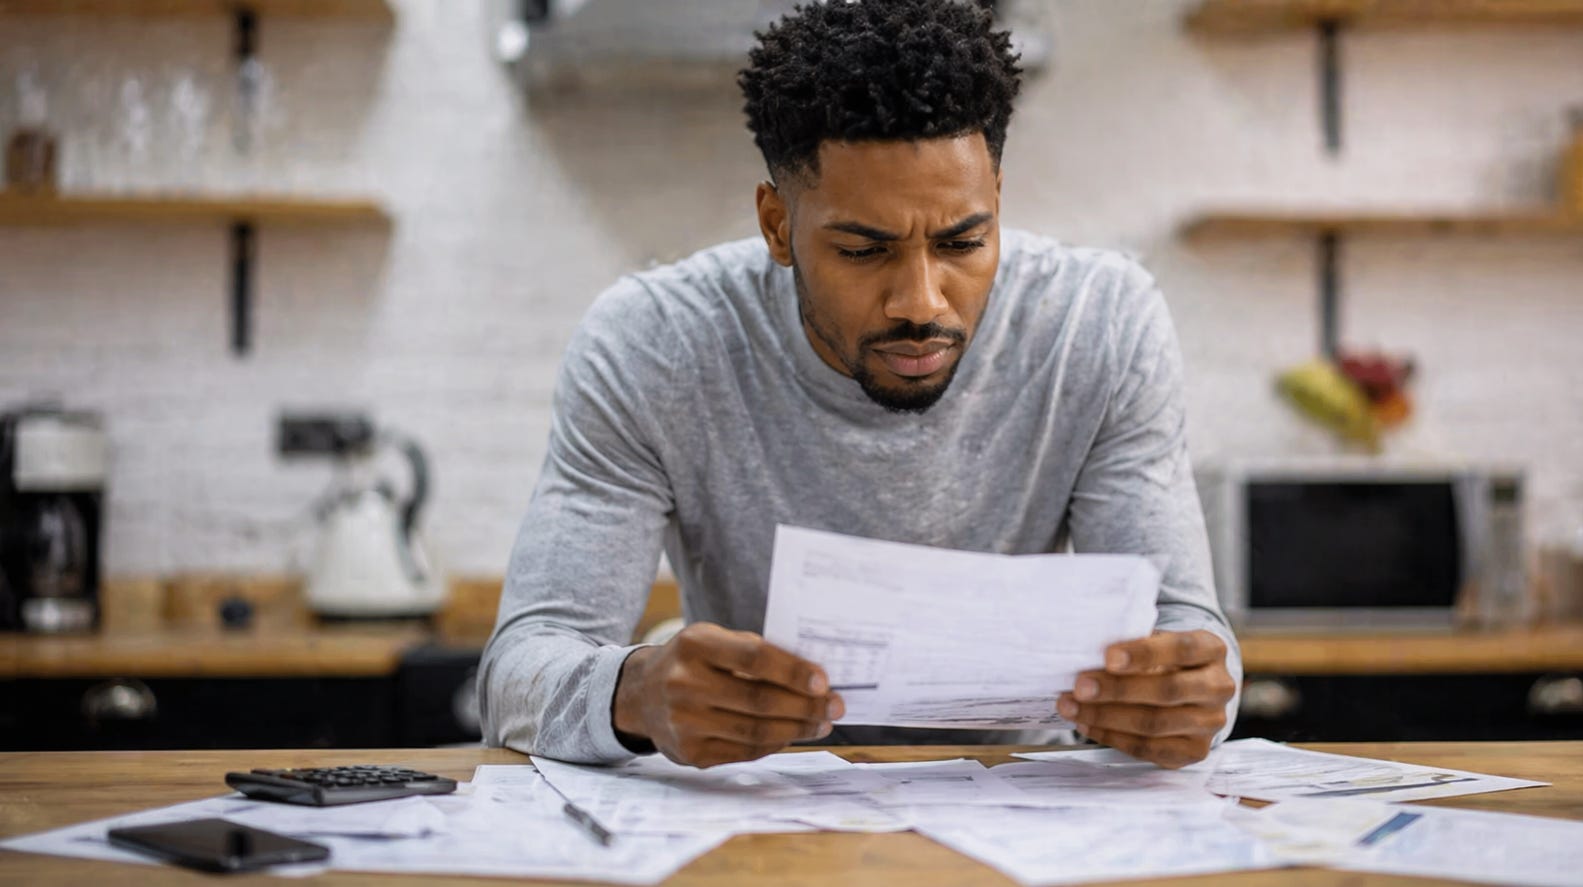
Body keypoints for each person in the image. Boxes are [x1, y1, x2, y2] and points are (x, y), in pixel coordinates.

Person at [478, 0, 1241, 770]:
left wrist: (1189, 693)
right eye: (863, 249)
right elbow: (517, 671)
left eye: (963, 242)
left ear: (999, 201)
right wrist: (634, 691)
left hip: (1019, 807)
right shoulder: (654, 344)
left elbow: (1194, 640)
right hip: (755, 809)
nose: (922, 302)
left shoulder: (1097, 325)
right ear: (777, 225)